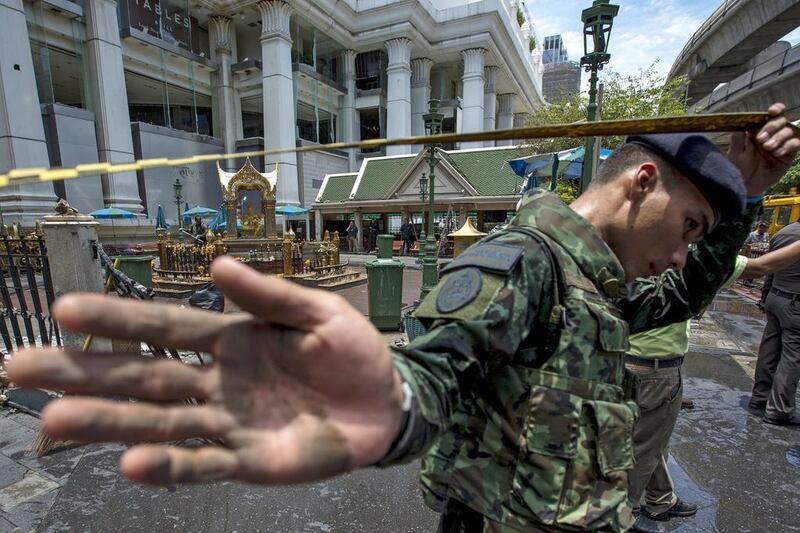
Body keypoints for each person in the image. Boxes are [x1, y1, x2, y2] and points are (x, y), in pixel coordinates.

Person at [7, 105, 797, 533]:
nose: (682, 253)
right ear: (642, 182)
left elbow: (681, 295)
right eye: (690, 227)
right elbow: (432, 373)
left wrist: (743, 197)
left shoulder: (598, 282)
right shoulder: (522, 264)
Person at [627, 241, 800, 533]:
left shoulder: (629, 248)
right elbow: (763, 265)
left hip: (628, 361)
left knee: (653, 438)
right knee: (644, 448)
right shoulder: (694, 259)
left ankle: (660, 499)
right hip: (657, 372)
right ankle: (626, 514)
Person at [750, 219, 800, 425]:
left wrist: (765, 296)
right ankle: (779, 409)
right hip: (795, 303)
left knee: (769, 348)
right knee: (792, 356)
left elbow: (770, 268)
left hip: (775, 298)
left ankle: (759, 398)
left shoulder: (783, 232)